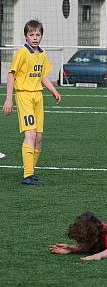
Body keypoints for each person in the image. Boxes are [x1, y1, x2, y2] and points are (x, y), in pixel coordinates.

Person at [2, 19, 62, 185]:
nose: (35, 37)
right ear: (26, 36)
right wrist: (9, 98)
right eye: (31, 34)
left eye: (38, 34)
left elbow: (42, 76)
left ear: (41, 36)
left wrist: (54, 91)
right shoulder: (22, 52)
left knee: (38, 137)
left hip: (38, 97)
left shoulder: (42, 53)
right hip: (24, 96)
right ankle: (27, 176)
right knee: (30, 134)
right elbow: (11, 75)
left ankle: (31, 172)